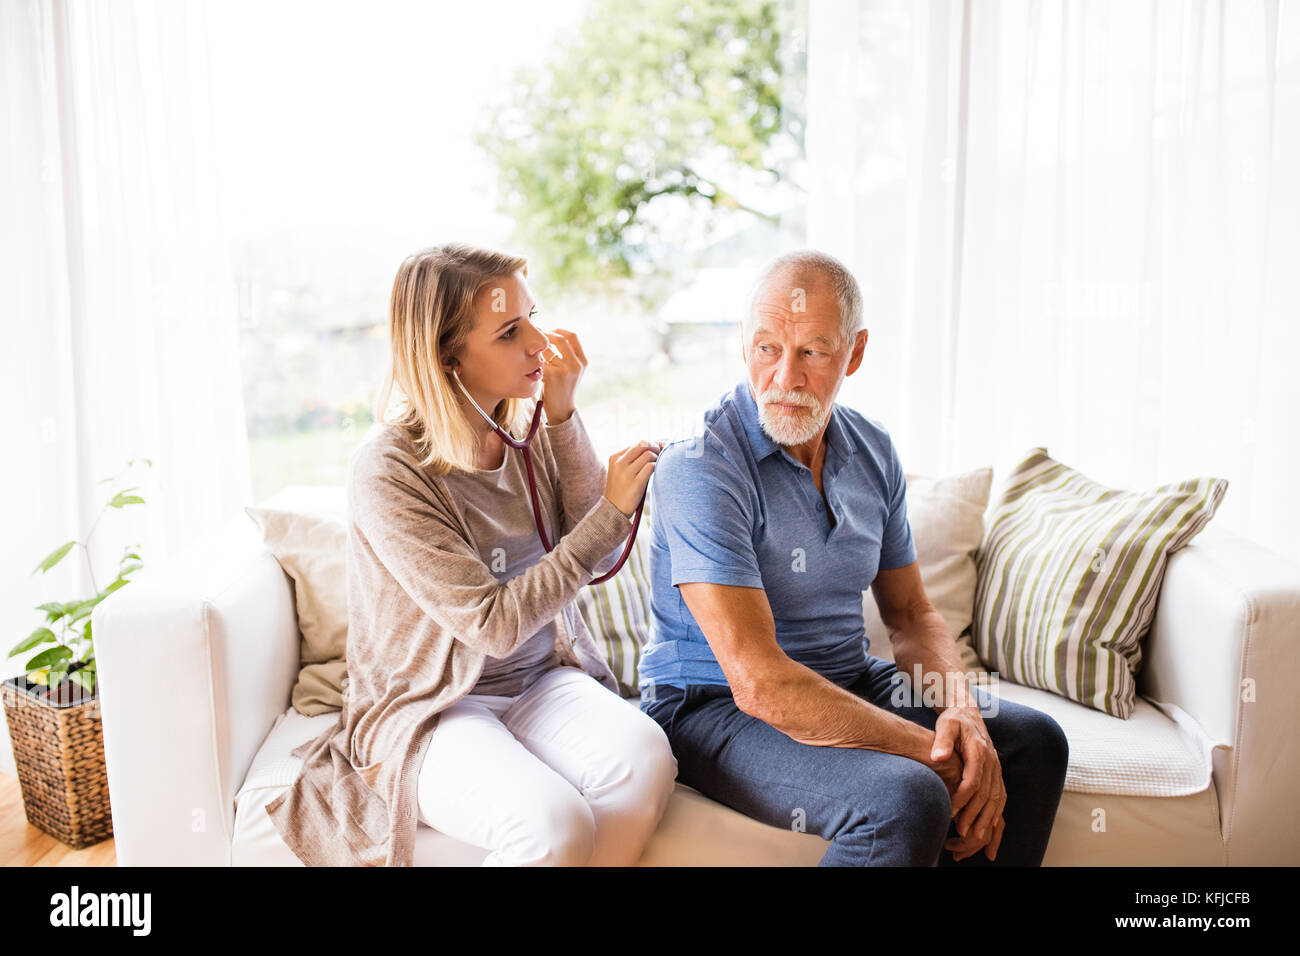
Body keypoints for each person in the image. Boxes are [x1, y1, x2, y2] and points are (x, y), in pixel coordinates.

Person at [638, 250, 1069, 866]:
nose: (785, 376)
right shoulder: (701, 467)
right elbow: (759, 683)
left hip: (847, 675)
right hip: (716, 706)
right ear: (743, 345)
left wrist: (965, 716)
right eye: (767, 348)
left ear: (855, 352)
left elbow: (912, 615)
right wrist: (937, 752)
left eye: (812, 351)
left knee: (1031, 741)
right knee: (909, 796)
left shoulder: (872, 449)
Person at [267, 243, 677, 866]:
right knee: (554, 824)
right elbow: (492, 623)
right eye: (512, 331)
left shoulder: (522, 428)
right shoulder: (389, 470)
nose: (540, 342)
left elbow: (593, 555)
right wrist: (611, 512)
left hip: (541, 678)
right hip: (433, 706)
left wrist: (562, 416)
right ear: (446, 356)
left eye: (533, 317)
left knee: (647, 759)